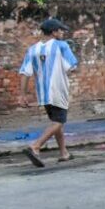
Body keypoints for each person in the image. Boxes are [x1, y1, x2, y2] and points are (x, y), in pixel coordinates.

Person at [19, 17, 78, 167]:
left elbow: (25, 73)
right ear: (54, 32)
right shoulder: (62, 46)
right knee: (59, 121)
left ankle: (64, 153)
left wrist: (23, 94)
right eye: (60, 30)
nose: (63, 33)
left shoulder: (32, 50)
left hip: (43, 93)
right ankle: (36, 146)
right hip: (58, 90)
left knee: (56, 122)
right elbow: (72, 67)